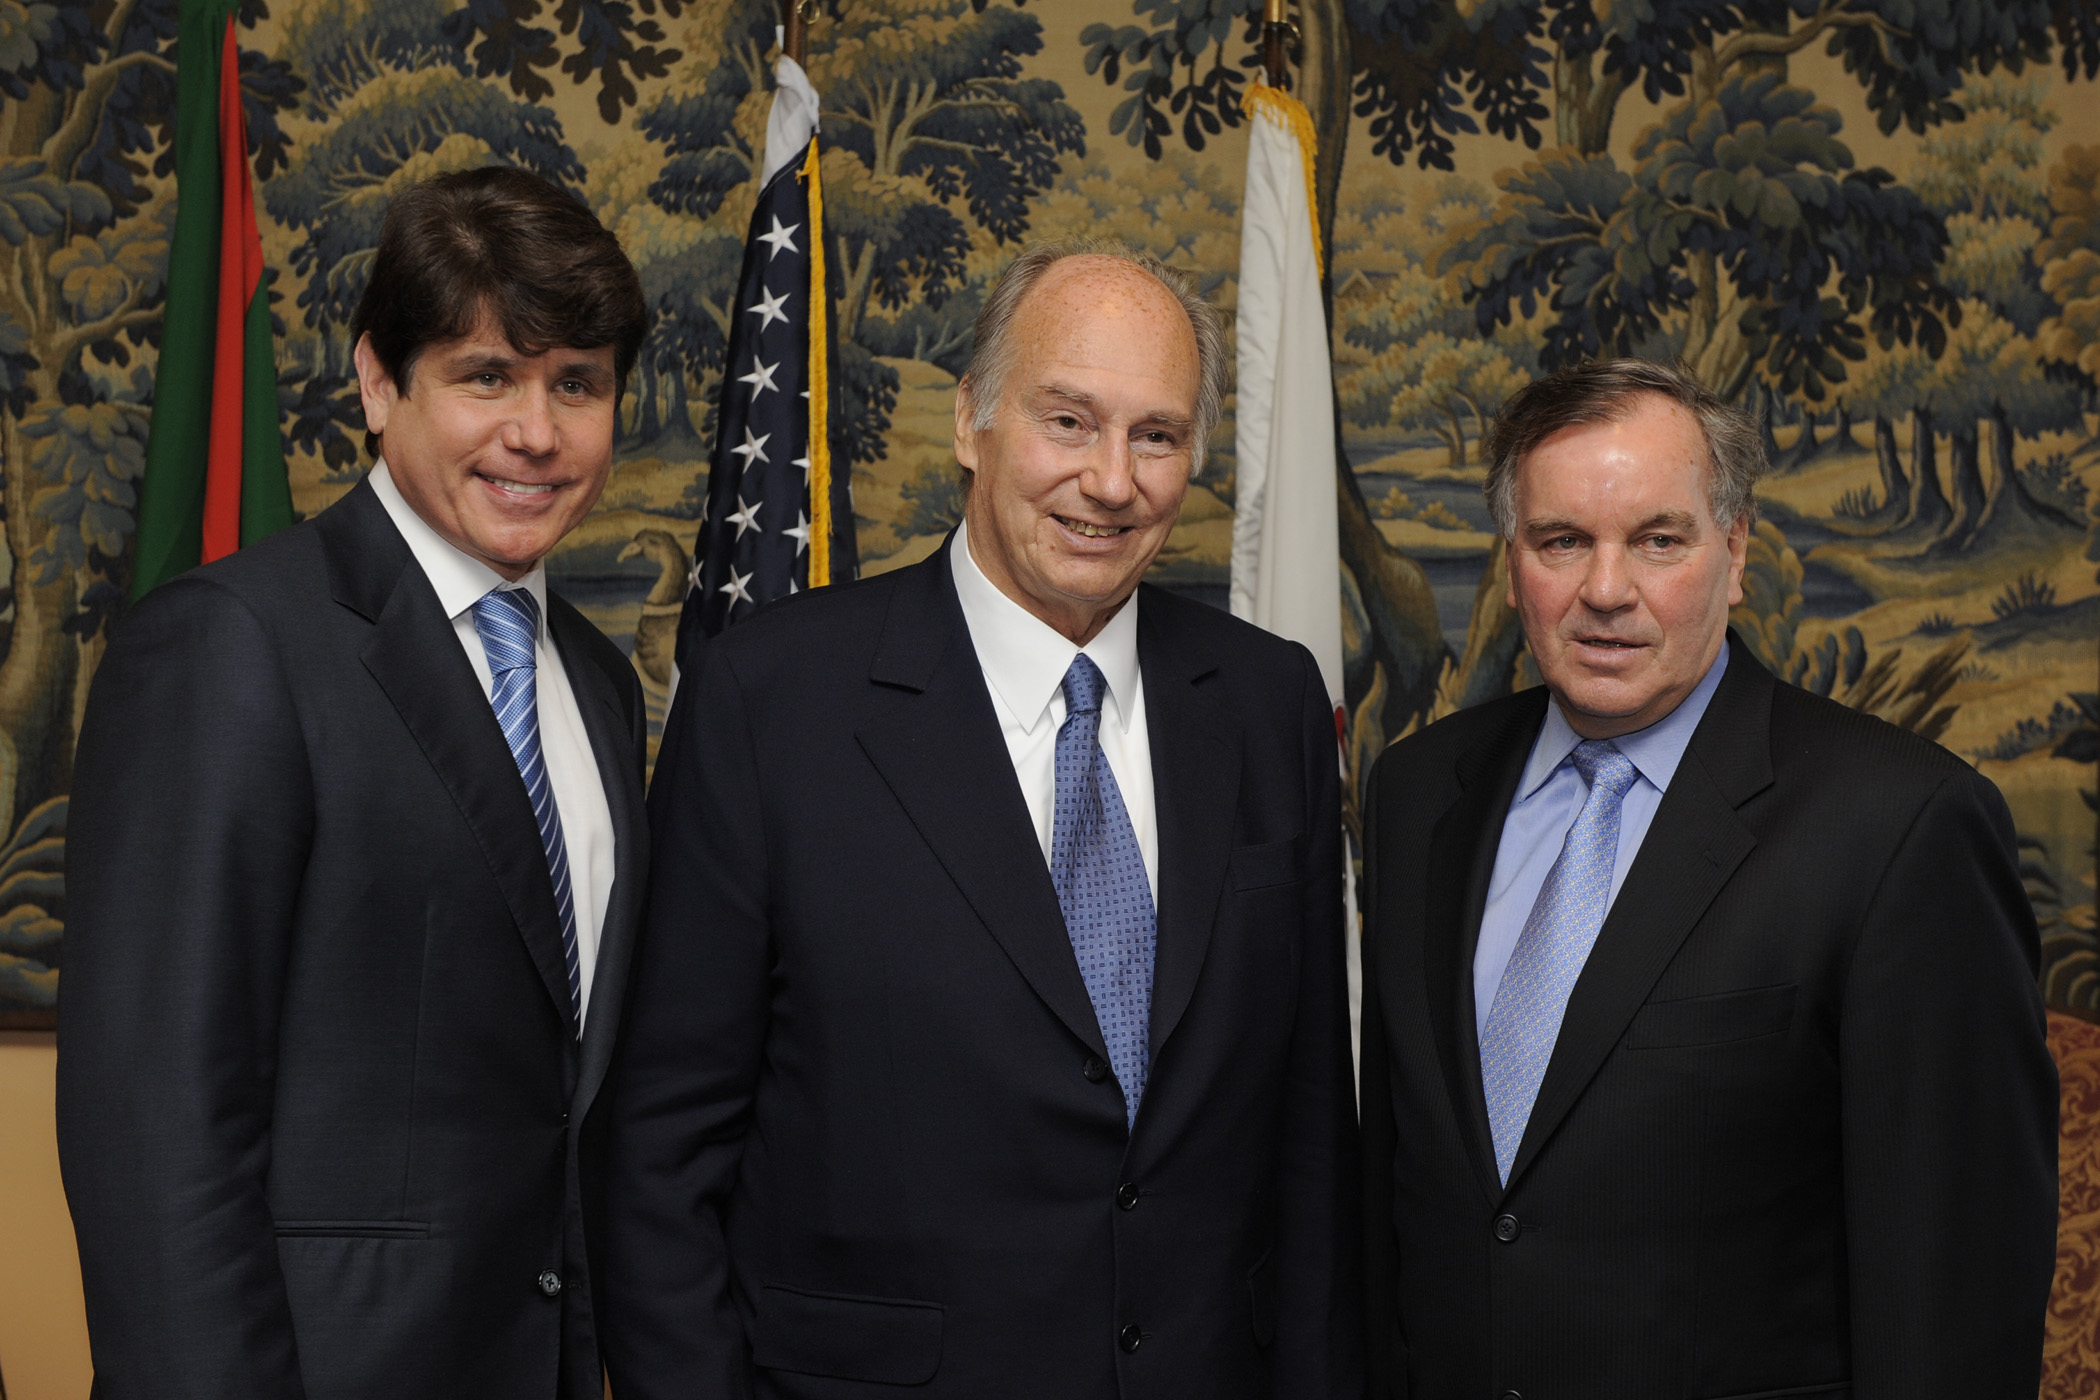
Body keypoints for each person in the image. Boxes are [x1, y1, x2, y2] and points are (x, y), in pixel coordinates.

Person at [603, 240, 1361, 1399]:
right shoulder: (772, 700)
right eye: (1069, 419)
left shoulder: (1270, 705)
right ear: (972, 422)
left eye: (1155, 435)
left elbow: (1311, 1148)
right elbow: (659, 1151)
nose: (1112, 480)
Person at [58, 167, 651, 1400]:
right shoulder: (233, 644)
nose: (536, 432)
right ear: (380, 383)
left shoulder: (599, 682)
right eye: (486, 375)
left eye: (576, 384)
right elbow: (156, 1129)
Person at [1358, 357, 2060, 1397]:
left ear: (1734, 552)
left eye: (1658, 539)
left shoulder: (1899, 826)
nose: (1606, 589)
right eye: (1563, 541)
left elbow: (1955, 1290)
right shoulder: (1419, 792)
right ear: (1514, 566)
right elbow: (1401, 1204)